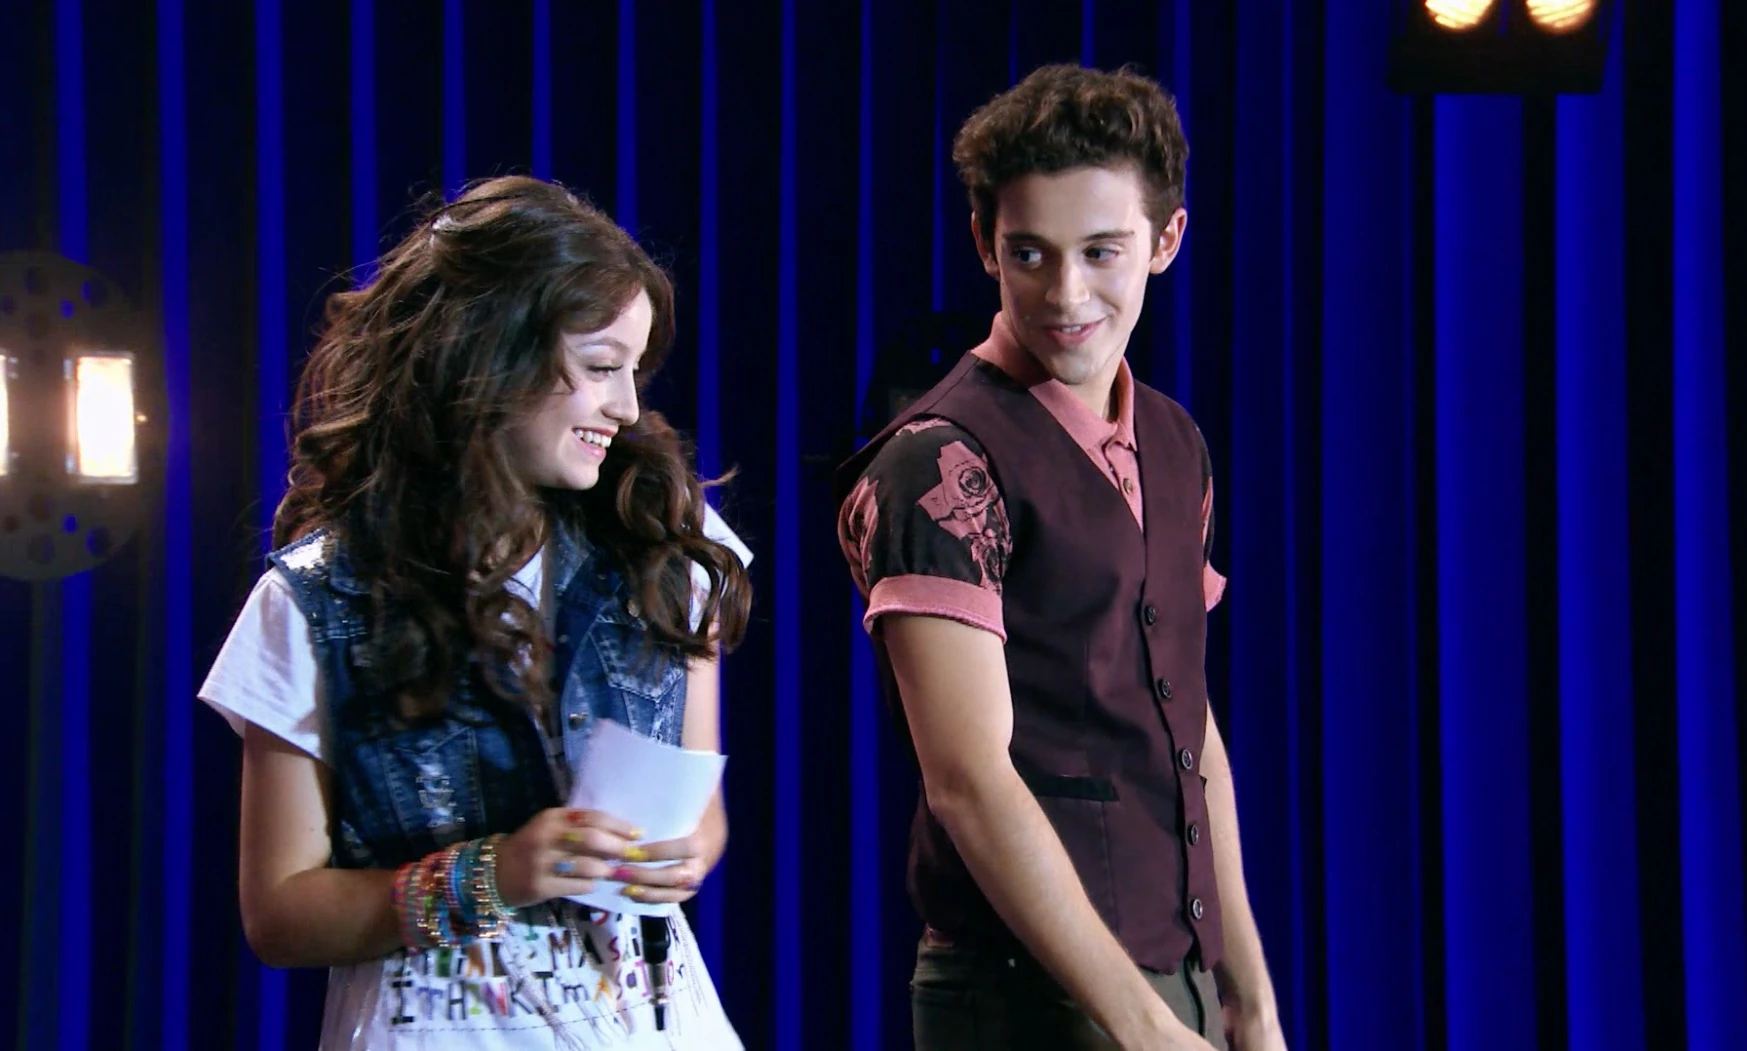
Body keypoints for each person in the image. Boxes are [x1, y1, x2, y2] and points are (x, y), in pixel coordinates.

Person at [200, 176, 752, 1049]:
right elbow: (280, 912)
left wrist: (680, 853)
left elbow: (699, 809)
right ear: (491, 355)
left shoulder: (662, 543)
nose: (627, 406)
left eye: (634, 370)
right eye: (600, 367)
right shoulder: (315, 600)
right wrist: (491, 874)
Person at [833, 65, 1285, 1050]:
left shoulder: (1174, 441)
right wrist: (1141, 1026)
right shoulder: (938, 460)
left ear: (1166, 240)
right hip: (1024, 999)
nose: (1064, 293)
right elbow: (968, 781)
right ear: (982, 243)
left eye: (1100, 252)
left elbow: (1191, 731)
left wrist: (1247, 996)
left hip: (1175, 981)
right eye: (1028, 253)